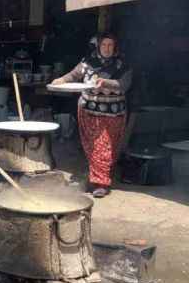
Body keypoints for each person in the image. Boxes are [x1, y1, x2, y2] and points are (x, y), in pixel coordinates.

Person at [51, 33, 132, 198]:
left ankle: (101, 181)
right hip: (88, 112)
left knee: (105, 147)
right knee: (94, 147)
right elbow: (74, 75)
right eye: (104, 45)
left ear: (115, 47)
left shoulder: (122, 65)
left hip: (113, 114)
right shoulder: (87, 63)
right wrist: (61, 79)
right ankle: (99, 181)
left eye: (110, 45)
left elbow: (123, 85)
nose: (107, 49)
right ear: (98, 46)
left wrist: (105, 82)